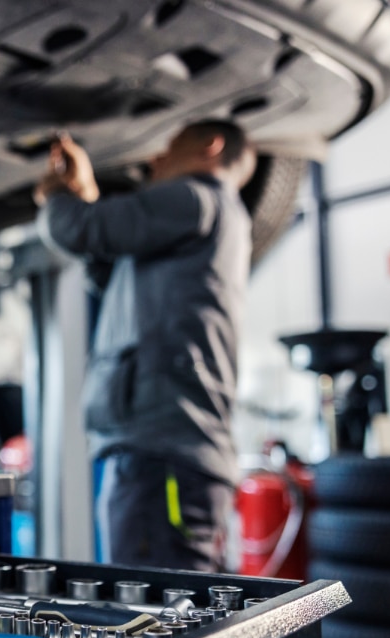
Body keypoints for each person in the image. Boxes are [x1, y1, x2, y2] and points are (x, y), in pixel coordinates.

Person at [34, 120, 257, 572]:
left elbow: (81, 230)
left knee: (156, 623)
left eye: (168, 146)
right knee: (172, 617)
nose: (155, 159)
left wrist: (58, 196)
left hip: (164, 460)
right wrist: (86, 197)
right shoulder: (213, 215)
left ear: (210, 148)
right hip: (170, 456)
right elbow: (109, 265)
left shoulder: (194, 197)